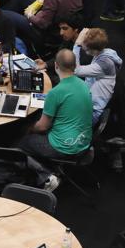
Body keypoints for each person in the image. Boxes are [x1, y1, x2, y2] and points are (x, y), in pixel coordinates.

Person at [18, 49, 93, 191]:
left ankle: (47, 176)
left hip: (63, 147)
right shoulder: (84, 84)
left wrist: (29, 127)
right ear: (75, 66)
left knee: (20, 143)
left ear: (56, 65)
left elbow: (42, 127)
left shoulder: (56, 92)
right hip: (84, 141)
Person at [72, 28, 122, 125]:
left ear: (92, 50)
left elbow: (75, 70)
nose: (82, 46)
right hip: (89, 103)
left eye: (84, 45)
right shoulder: (106, 53)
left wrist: (77, 44)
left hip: (92, 113)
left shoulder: (105, 63)